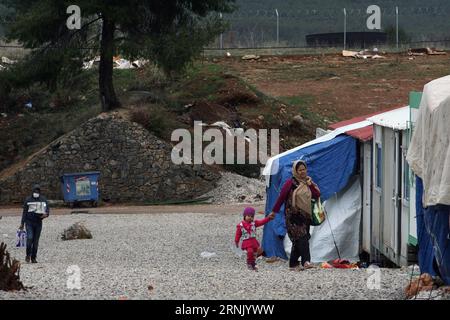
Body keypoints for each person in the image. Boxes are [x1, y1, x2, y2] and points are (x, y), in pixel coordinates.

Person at [268, 160, 320, 270]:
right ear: (295, 171)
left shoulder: (308, 182)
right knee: (302, 238)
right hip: (293, 216)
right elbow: (281, 198)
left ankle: (293, 264)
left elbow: (316, 195)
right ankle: (306, 262)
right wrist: (274, 211)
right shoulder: (290, 183)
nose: (302, 172)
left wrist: (310, 185)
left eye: (304, 169)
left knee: (299, 239)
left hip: (305, 216)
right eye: (300, 170)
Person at [19, 184, 49, 263]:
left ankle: (33, 257)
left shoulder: (43, 200)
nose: (36, 192)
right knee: (29, 238)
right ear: (32, 191)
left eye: (38, 191)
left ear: (40, 191)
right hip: (29, 222)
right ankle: (28, 255)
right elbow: (24, 212)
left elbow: (47, 211)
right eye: (35, 190)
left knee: (35, 241)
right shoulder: (28, 200)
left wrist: (46, 215)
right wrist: (22, 223)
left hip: (38, 223)